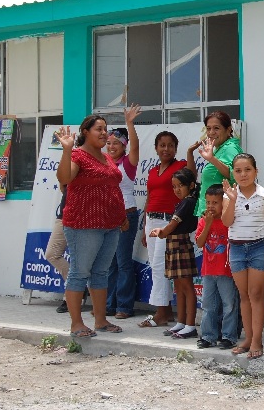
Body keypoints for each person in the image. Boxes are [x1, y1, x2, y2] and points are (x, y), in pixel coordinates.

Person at [55, 116, 127, 338]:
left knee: (100, 273)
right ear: (85, 132)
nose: (104, 133)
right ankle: (76, 324)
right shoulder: (77, 155)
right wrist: (67, 150)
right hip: (83, 225)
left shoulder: (106, 157)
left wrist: (121, 216)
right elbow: (64, 178)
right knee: (79, 273)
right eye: (99, 129)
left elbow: (113, 188)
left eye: (105, 129)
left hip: (110, 225)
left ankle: (100, 321)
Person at [222, 153, 264, 359]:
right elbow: (227, 222)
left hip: (259, 247)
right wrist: (231, 200)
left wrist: (258, 231)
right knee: (244, 295)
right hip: (236, 248)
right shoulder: (228, 194)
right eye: (238, 170)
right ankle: (247, 339)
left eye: (248, 169)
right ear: (233, 173)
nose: (243, 174)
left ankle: (257, 341)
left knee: (256, 294)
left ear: (256, 171)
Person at [138, 131, 187, 328]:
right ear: (156, 148)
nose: (166, 149)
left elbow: (188, 187)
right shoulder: (152, 171)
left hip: (169, 222)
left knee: (160, 267)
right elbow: (149, 197)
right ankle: (164, 311)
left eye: (170, 145)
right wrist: (144, 227)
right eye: (162, 145)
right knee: (156, 267)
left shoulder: (180, 167)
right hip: (151, 220)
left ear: (176, 148)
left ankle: (161, 313)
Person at [149, 167, 200, 339]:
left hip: (181, 245)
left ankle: (190, 325)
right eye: (174, 186)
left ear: (191, 185)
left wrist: (160, 232)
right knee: (178, 287)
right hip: (174, 245)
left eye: (180, 186)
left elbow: (171, 226)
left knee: (187, 287)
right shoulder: (183, 202)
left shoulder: (188, 202)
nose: (177, 189)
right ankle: (181, 322)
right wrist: (162, 232)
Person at [105, 104, 142, 319]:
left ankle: (124, 306)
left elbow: (135, 147)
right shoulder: (103, 163)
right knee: (109, 263)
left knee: (123, 262)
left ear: (124, 146)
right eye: (108, 143)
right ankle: (109, 304)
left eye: (116, 143)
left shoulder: (128, 164)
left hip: (126, 215)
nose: (111, 146)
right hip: (107, 218)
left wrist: (129, 122)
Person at [195, 185, 237, 349]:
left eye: (215, 202)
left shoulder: (228, 221)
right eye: (208, 202)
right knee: (208, 305)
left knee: (229, 305)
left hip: (226, 271)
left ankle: (228, 336)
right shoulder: (204, 221)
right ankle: (208, 336)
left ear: (223, 204)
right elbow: (199, 243)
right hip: (208, 271)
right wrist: (207, 224)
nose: (211, 206)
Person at [187, 111, 243, 217]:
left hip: (219, 215)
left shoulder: (230, 148)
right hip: (210, 214)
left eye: (216, 128)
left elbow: (235, 175)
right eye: (208, 128)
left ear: (228, 129)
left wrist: (212, 159)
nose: (211, 132)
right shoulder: (220, 149)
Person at [45, 184, 73, 314]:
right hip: (63, 216)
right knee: (52, 254)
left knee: (80, 260)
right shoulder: (69, 165)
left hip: (82, 218)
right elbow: (62, 184)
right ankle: (75, 287)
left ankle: (70, 298)